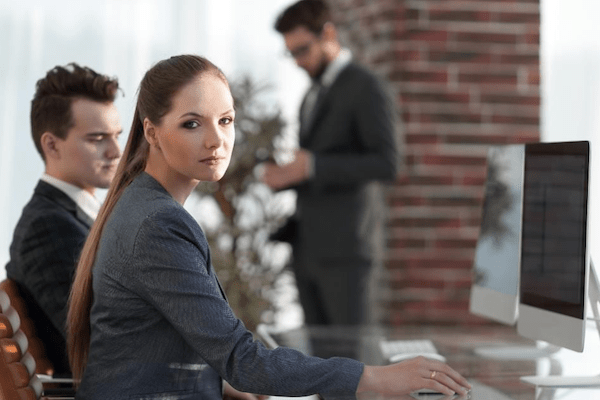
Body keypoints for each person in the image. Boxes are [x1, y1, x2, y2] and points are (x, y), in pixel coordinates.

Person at [66, 54, 468, 399]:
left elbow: (157, 344)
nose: (216, 141)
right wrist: (375, 377)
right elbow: (243, 361)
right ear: (152, 132)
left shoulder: (141, 201)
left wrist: (220, 381)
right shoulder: (158, 222)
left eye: (225, 121)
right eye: (193, 124)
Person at [261, 0, 402, 325]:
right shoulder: (311, 93)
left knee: (351, 360)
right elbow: (316, 162)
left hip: (347, 253)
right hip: (307, 248)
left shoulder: (366, 87)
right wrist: (287, 175)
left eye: (302, 50)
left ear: (328, 33)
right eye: (291, 53)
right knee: (320, 361)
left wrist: (313, 166)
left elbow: (387, 163)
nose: (297, 61)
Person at [5, 63, 122, 375]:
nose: (116, 151)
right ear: (51, 144)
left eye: (117, 136)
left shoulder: (78, 219)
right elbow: (104, 347)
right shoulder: (48, 228)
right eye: (98, 138)